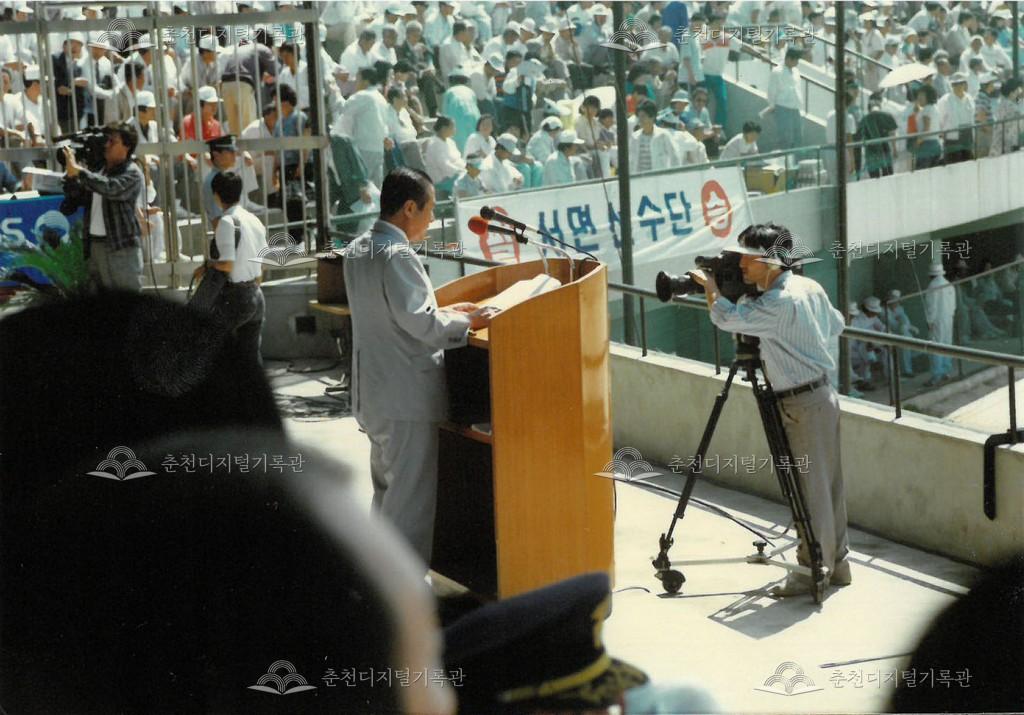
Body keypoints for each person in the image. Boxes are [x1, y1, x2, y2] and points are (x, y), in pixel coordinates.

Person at [342, 168, 497, 563]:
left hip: (373, 394)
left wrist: (445, 309)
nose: (431, 220)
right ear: (409, 208)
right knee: (409, 508)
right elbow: (422, 325)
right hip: (405, 399)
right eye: (429, 210)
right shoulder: (398, 255)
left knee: (386, 496)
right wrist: (470, 321)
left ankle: (376, 587)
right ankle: (401, 600)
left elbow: (396, 314)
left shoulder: (359, 248)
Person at [688, 223, 850, 597]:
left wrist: (710, 286)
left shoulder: (778, 303)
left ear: (770, 262)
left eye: (747, 256)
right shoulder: (808, 288)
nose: (740, 263)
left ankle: (812, 571)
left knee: (809, 491)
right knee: (829, 487)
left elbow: (725, 317)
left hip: (799, 403)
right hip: (821, 395)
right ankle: (837, 565)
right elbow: (836, 325)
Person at [191, 171, 268, 367]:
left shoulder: (227, 222)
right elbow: (261, 265)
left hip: (235, 297)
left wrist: (208, 265)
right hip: (256, 294)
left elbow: (226, 265)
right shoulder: (254, 220)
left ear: (216, 195)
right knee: (250, 354)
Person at [60, 122, 144, 292]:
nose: (106, 145)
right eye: (106, 141)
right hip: (95, 245)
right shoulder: (98, 171)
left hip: (120, 247)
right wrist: (71, 178)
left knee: (127, 303)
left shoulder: (132, 172)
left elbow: (111, 188)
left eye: (112, 142)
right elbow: (74, 201)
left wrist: (80, 172)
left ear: (126, 146)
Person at [766, 48, 805, 150]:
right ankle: (784, 162)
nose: (797, 62)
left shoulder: (796, 71)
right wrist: (772, 107)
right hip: (782, 107)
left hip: (795, 108)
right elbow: (771, 91)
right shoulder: (777, 71)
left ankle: (796, 162)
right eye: (795, 60)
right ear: (788, 58)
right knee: (785, 138)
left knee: (798, 137)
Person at [923, 263, 956, 386]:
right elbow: (953, 305)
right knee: (947, 344)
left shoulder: (933, 286)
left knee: (936, 345)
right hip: (948, 317)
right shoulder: (949, 284)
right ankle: (946, 371)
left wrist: (930, 321)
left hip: (938, 319)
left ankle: (936, 374)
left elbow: (932, 306)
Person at [629, 100, 678, 174]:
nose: (640, 120)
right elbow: (631, 161)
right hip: (639, 180)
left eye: (643, 116)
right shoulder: (634, 137)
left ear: (652, 117)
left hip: (659, 179)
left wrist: (674, 176)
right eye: (639, 116)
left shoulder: (663, 135)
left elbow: (675, 157)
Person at [937, 72, 975, 164]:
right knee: (953, 166)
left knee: (968, 164)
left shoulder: (970, 99)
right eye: (954, 84)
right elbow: (940, 120)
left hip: (967, 136)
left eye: (960, 83)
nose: (958, 86)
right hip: (952, 138)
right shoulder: (945, 100)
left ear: (964, 84)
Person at [423, 115, 464, 197]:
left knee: (477, 174)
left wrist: (468, 169)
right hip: (442, 180)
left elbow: (459, 159)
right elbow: (444, 166)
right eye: (452, 127)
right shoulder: (434, 144)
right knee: (468, 181)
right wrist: (462, 171)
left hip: (455, 174)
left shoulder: (451, 142)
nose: (454, 130)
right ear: (443, 128)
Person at [857, 96, 898, 177]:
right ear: (880, 107)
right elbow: (893, 133)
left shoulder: (864, 119)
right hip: (885, 151)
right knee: (888, 176)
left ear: (868, 109)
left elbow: (859, 138)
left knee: (874, 179)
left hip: (871, 154)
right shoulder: (888, 116)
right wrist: (895, 149)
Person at [884, 290, 921, 378]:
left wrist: (909, 326)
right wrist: (901, 323)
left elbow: (905, 321)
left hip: (903, 333)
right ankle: (907, 371)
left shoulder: (900, 308)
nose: (895, 303)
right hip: (891, 334)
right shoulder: (884, 310)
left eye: (897, 300)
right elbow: (892, 325)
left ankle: (909, 369)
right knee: (905, 345)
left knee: (916, 347)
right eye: (893, 300)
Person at [910, 84, 943, 170]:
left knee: (921, 173)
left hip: (926, 145)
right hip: (936, 144)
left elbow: (926, 128)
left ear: (928, 96)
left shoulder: (926, 109)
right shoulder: (935, 108)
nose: (919, 97)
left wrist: (917, 142)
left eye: (921, 95)